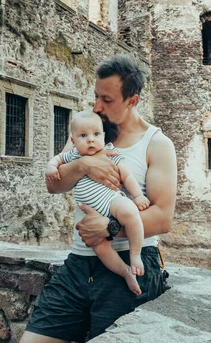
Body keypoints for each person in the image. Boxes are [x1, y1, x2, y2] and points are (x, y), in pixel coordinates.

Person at [20, 54, 177, 343]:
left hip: (130, 265)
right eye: (95, 96)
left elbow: (163, 217)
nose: (96, 106)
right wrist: (82, 165)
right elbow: (54, 186)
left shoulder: (157, 144)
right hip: (79, 263)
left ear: (132, 100)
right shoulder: (88, 131)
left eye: (107, 99)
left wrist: (109, 227)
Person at [45, 110, 150, 295]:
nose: (90, 140)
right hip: (90, 214)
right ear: (73, 141)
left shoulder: (110, 152)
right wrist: (51, 167)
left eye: (95, 135)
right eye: (83, 136)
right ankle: (125, 272)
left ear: (103, 136)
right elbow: (57, 160)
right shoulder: (74, 155)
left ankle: (135, 256)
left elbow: (126, 175)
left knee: (131, 213)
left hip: (111, 201)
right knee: (102, 249)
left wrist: (138, 195)